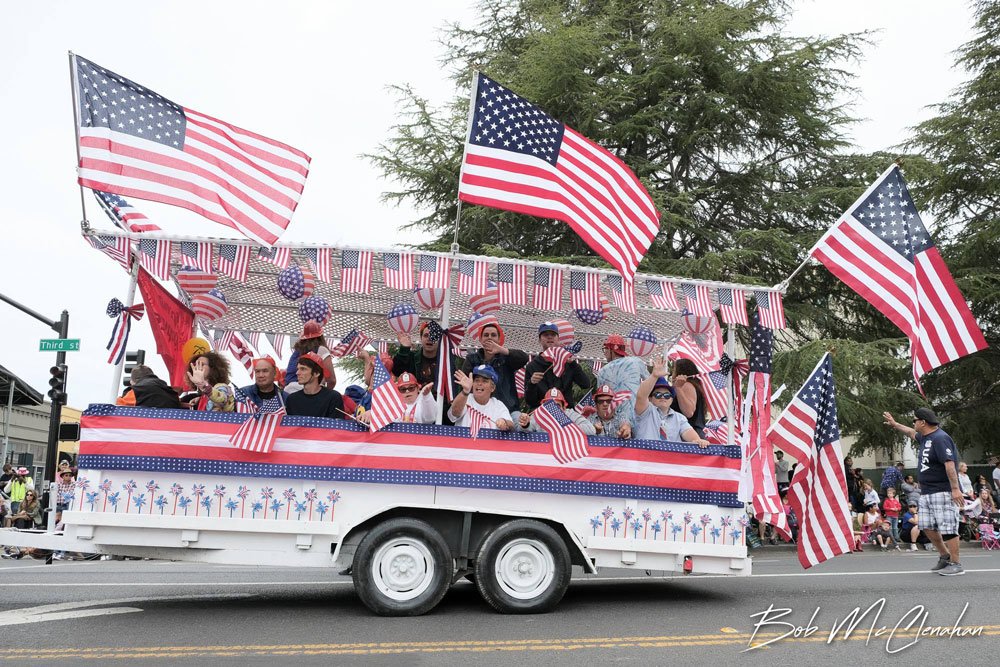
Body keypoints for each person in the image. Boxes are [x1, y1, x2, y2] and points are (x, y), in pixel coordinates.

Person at [884, 408, 965, 575]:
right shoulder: (925, 437)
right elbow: (910, 432)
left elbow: (949, 464)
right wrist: (894, 424)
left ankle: (956, 564)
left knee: (948, 527)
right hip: (926, 492)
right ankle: (944, 556)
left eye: (915, 420)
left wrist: (955, 489)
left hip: (942, 491)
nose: (913, 423)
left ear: (923, 422)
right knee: (926, 526)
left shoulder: (940, 438)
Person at [633, 357, 710, 447]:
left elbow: (691, 435)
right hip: (646, 458)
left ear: (672, 399)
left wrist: (698, 440)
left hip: (669, 459)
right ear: (650, 398)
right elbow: (641, 396)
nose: (663, 397)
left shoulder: (679, 418)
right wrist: (654, 376)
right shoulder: (645, 412)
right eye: (657, 394)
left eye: (667, 395)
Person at [461, 322, 529, 420]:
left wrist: (502, 350)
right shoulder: (472, 359)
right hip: (479, 410)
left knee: (523, 427)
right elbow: (465, 383)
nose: (489, 337)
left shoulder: (506, 358)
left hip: (509, 410)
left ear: (499, 339)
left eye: (493, 335)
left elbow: (524, 358)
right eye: (486, 335)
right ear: (480, 339)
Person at [522, 322, 592, 409]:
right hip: (542, 412)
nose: (549, 337)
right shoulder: (532, 366)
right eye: (545, 335)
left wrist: (573, 364)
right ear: (539, 340)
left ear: (558, 339)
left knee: (584, 423)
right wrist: (532, 383)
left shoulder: (567, 362)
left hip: (566, 411)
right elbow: (530, 401)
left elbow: (585, 384)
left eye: (553, 335)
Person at [595, 334, 649, 426]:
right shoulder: (636, 362)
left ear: (611, 349)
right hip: (639, 416)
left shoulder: (602, 372)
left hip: (615, 419)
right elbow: (650, 382)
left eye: (605, 349)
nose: (605, 353)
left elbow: (600, 398)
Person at [448, 365, 514, 432]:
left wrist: (504, 422)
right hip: (464, 441)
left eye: (484, 381)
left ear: (493, 388)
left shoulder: (498, 405)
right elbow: (455, 413)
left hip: (489, 442)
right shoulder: (464, 398)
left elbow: (511, 425)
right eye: (476, 380)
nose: (479, 383)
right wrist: (465, 391)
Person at [358, 373, 437, 426]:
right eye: (403, 389)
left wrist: (427, 396)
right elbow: (381, 415)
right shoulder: (394, 404)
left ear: (418, 388)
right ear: (398, 391)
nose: (407, 391)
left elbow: (430, 419)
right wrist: (370, 413)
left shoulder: (423, 402)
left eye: (411, 388)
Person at [284, 353, 345, 419]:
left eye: (303, 369)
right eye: (298, 369)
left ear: (316, 373)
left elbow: (337, 426)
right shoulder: (292, 399)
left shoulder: (333, 398)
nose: (297, 373)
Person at [285, 321, 337, 392]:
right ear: (320, 336)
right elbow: (332, 380)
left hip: (289, 390)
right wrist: (325, 396)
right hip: (310, 391)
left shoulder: (296, 351)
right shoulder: (321, 350)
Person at [519, 388, 596, 435]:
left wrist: (563, 429)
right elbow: (525, 430)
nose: (554, 409)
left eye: (557, 406)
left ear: (564, 408)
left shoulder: (570, 414)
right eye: (550, 405)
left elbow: (590, 429)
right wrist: (525, 424)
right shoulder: (540, 415)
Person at [671, 357, 708, 437]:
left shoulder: (686, 385)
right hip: (691, 432)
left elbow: (689, 412)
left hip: (689, 433)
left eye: (674, 370)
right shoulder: (695, 386)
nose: (672, 374)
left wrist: (678, 388)